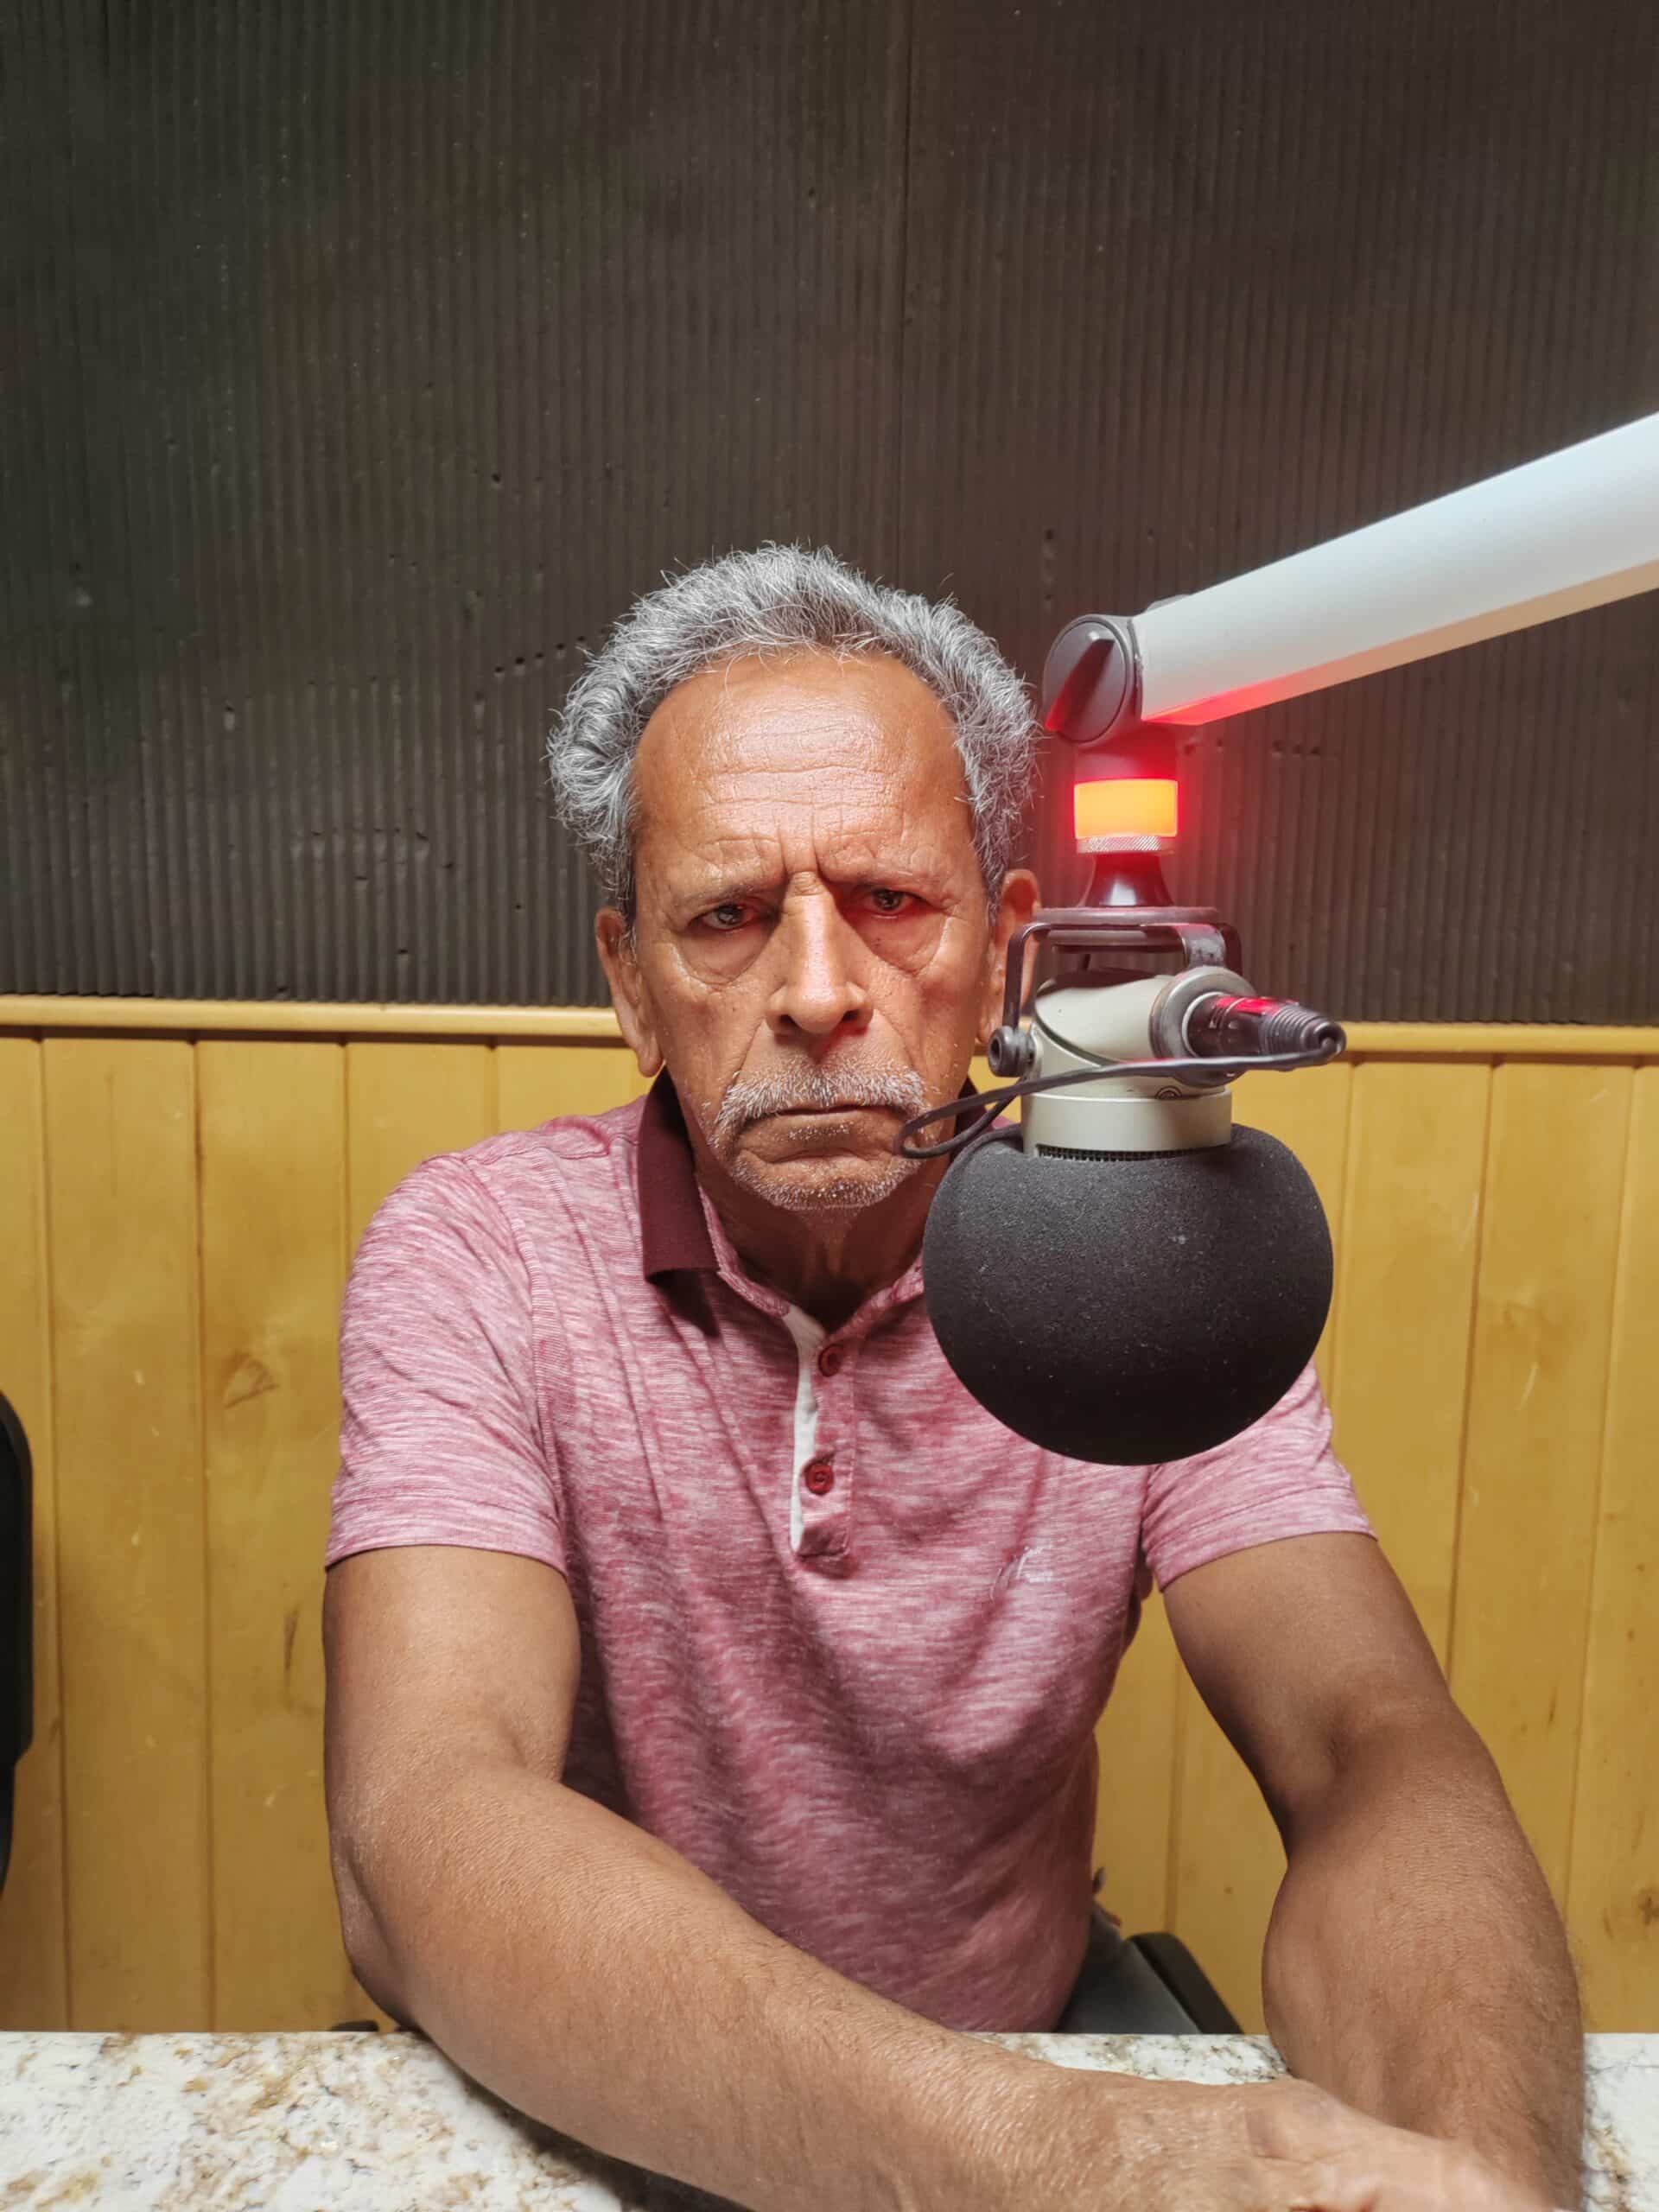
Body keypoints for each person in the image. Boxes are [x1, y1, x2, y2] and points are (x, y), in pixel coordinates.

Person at [322, 545, 1582, 2212]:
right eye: (728, 918)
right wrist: (1068, 2160)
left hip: (1026, 2047)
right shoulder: (481, 1253)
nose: (817, 992)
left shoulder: (1143, 1252)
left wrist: (1488, 2175)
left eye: (893, 904)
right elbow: (429, 1814)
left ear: (1005, 954)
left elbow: (1369, 1747)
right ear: (630, 982)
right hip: (627, 2090)